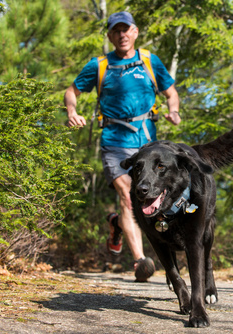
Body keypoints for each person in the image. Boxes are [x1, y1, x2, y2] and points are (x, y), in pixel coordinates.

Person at [64, 11, 181, 282]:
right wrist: (72, 111)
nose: (122, 35)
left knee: (151, 199)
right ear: (110, 36)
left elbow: (171, 93)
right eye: (116, 31)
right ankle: (140, 261)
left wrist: (173, 111)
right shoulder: (99, 65)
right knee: (129, 197)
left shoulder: (150, 61)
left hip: (147, 144)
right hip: (114, 141)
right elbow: (72, 91)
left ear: (135, 32)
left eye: (126, 29)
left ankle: (116, 225)